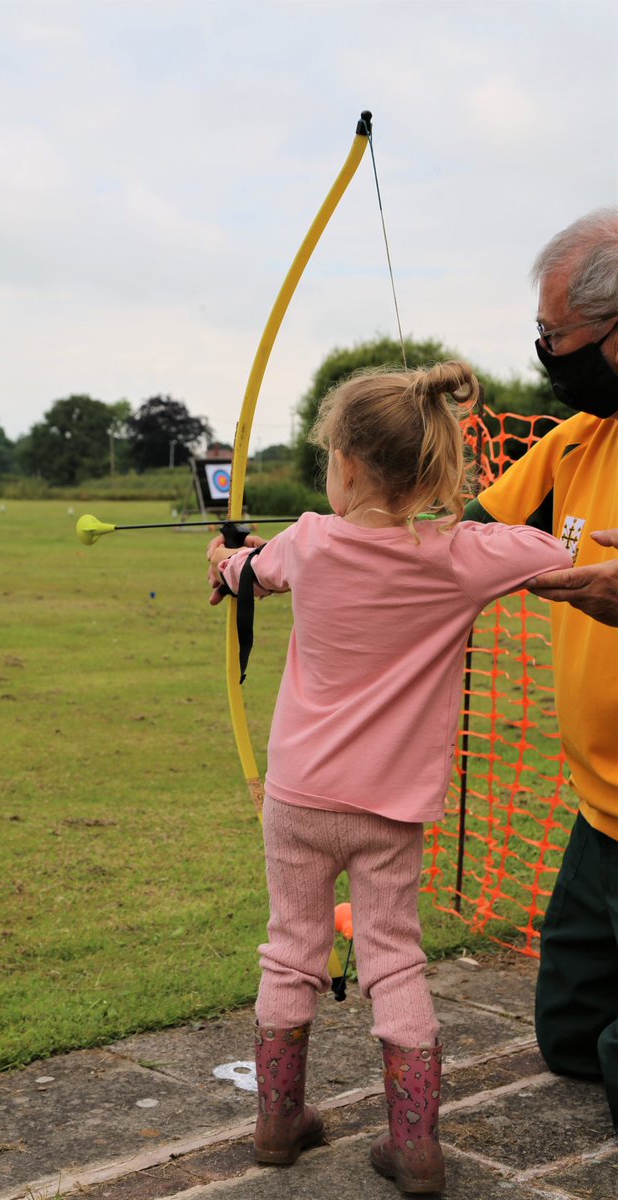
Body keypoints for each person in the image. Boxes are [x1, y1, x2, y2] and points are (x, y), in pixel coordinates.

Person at [207, 362, 571, 1194]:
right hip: (389, 808)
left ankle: (276, 1122)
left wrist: (224, 561)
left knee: (289, 950)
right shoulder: (462, 557)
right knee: (393, 961)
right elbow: (549, 551)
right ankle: (413, 1146)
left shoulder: (305, 539)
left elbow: (247, 573)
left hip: (298, 797)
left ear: (347, 462)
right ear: (431, 467)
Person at [464, 207, 618, 1129]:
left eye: (557, 339)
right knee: (570, 1046)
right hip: (600, 816)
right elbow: (450, 545)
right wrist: (295, 555)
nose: (545, 355)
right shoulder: (575, 442)